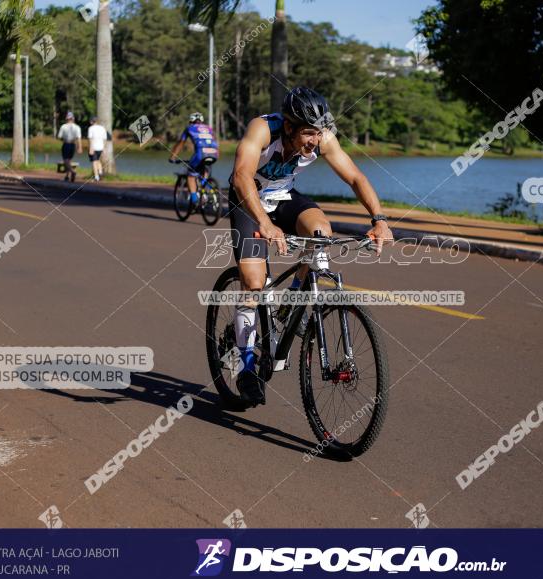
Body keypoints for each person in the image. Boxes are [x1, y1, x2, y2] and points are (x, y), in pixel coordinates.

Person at [228, 86, 393, 406]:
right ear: (288, 127)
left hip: (284, 198)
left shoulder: (322, 138)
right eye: (307, 133)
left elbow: (355, 177)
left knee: (320, 233)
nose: (314, 141)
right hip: (248, 202)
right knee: (252, 283)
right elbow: (241, 176)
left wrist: (379, 219)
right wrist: (263, 222)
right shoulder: (262, 129)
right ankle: (246, 366)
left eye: (318, 133)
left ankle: (294, 302)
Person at [168, 112, 219, 205]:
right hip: (214, 153)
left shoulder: (189, 128)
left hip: (201, 153)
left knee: (191, 175)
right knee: (205, 170)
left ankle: (195, 200)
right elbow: (214, 140)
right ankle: (206, 189)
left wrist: (173, 156)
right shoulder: (209, 128)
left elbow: (181, 143)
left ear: (191, 121)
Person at [57, 112, 82, 182]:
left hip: (66, 144)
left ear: (67, 118)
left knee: (66, 160)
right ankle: (67, 176)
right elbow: (78, 138)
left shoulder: (63, 126)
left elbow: (59, 137)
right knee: (69, 160)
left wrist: (64, 139)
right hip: (73, 144)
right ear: (73, 118)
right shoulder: (77, 127)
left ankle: (72, 171)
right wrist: (79, 147)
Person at [87, 116, 108, 182]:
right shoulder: (102, 128)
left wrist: (91, 148)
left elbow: (90, 139)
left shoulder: (91, 128)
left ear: (92, 121)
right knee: (98, 160)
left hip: (94, 147)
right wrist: (104, 148)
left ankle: (96, 177)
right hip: (101, 147)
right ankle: (100, 172)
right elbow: (105, 139)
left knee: (94, 162)